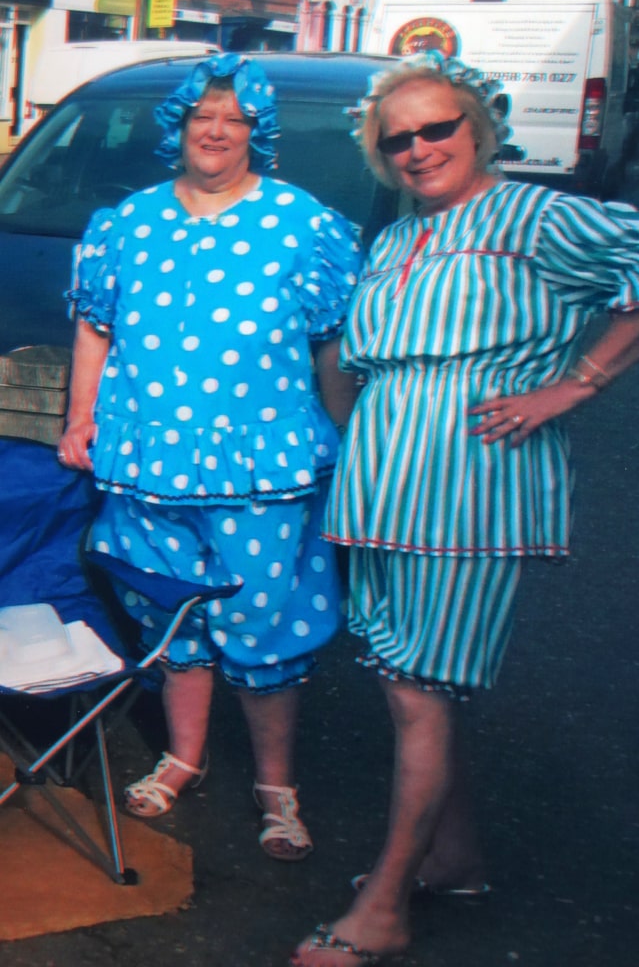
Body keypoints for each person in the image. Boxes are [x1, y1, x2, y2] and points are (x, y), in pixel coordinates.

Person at [290, 53, 639, 965]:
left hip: (468, 496)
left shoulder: (535, 215)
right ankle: (454, 857)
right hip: (379, 497)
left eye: (436, 128)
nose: (417, 150)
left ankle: (387, 906)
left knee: (419, 697)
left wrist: (574, 385)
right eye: (396, 138)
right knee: (412, 689)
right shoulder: (397, 240)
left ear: (477, 128)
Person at [57, 53, 362, 862]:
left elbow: (330, 345)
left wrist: (347, 438)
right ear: (181, 129)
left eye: (235, 120)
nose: (217, 132)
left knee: (265, 622)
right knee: (172, 616)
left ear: (255, 134)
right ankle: (184, 757)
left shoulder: (302, 225)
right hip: (144, 459)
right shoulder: (129, 224)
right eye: (203, 118)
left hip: (263, 466)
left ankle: (275, 787)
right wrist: (80, 418)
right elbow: (95, 325)